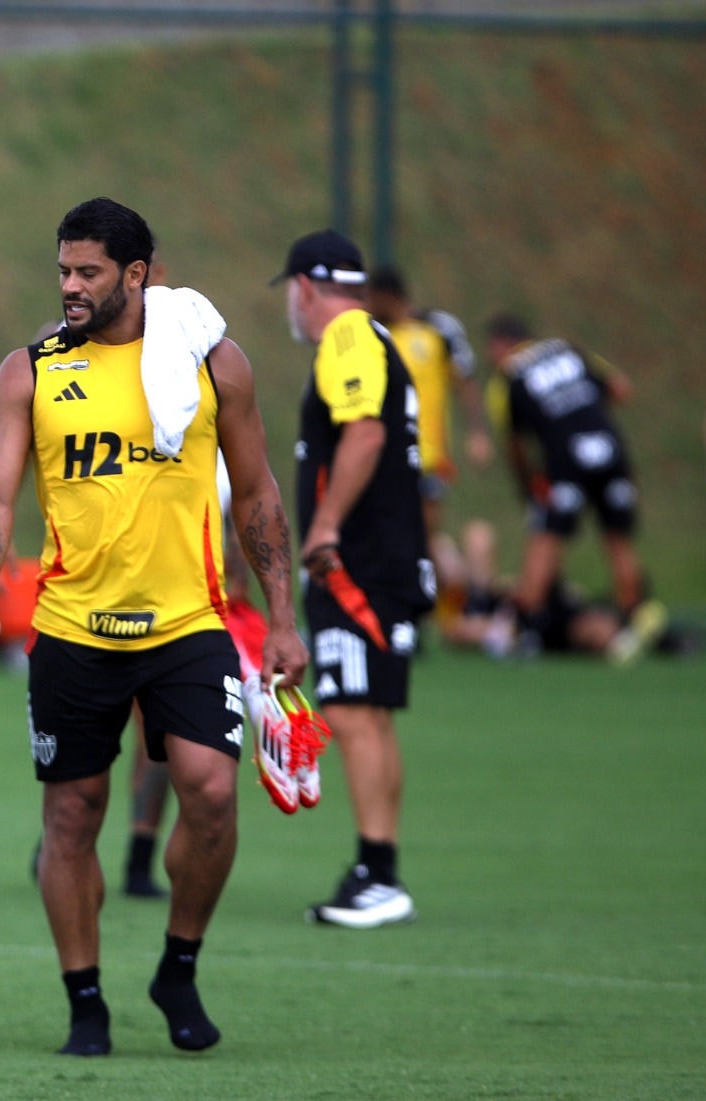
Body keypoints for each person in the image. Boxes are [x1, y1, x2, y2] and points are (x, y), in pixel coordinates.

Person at [0, 197, 308, 1057]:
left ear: (138, 274)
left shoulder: (213, 363)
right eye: (63, 271)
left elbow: (258, 494)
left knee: (215, 794)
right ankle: (86, 1001)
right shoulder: (30, 371)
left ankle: (178, 965)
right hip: (72, 630)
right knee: (72, 818)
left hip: (188, 623)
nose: (70, 288)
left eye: (88, 273)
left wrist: (283, 616)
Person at [273, 229, 436, 929]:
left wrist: (326, 524)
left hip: (359, 565)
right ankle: (378, 863)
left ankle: (378, 873)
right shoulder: (372, 337)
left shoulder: (346, 337)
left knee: (353, 711)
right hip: (385, 559)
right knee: (369, 712)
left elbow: (365, 431)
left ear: (306, 285)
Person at [482, 313, 654, 648]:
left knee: (545, 536)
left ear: (502, 345)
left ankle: (527, 625)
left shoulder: (507, 378)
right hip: (609, 451)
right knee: (618, 540)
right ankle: (635, 621)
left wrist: (528, 485)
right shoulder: (567, 350)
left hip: (565, 461)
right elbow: (620, 389)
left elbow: (514, 443)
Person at [366, 266, 492, 626]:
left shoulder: (439, 329)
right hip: (383, 456)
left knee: (420, 536)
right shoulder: (376, 334)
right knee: (391, 534)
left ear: (388, 297)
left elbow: (464, 382)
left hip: (429, 456)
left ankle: (419, 612)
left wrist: (477, 432)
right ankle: (412, 605)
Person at [434, 518, 666, 664]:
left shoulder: (564, 623)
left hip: (521, 620)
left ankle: (634, 630)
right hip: (511, 614)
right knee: (472, 537)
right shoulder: (482, 605)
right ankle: (633, 628)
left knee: (473, 538)